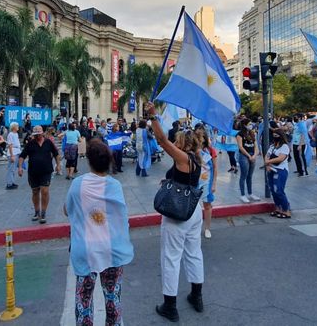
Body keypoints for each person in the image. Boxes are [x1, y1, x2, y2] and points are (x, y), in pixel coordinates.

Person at [143, 102, 204, 322]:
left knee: (171, 258)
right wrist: (168, 179)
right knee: (194, 253)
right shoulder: (196, 159)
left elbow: (161, 140)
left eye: (177, 140)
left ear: (182, 144)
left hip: (178, 214)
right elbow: (183, 180)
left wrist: (153, 116)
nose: (174, 141)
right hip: (194, 211)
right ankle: (196, 296)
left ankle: (170, 306)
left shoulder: (183, 158)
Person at [65, 139, 134, 326]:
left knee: (84, 299)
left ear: (89, 161)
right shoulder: (115, 186)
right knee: (113, 297)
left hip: (86, 250)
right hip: (112, 249)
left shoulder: (78, 184)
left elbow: (67, 210)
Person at [18, 126, 60, 224]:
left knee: (44, 191)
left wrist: (58, 165)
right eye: (35, 135)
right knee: (35, 191)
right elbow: (22, 156)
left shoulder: (48, 142)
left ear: (42, 133)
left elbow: (56, 154)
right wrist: (20, 167)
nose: (37, 136)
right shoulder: (30, 144)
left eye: (38, 134)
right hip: (33, 172)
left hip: (46, 171)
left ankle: (43, 212)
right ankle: (37, 211)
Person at [195, 127, 217, 239]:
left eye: (201, 137)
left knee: (207, 206)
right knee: (193, 206)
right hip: (194, 181)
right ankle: (194, 228)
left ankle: (207, 228)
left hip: (207, 182)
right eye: (197, 136)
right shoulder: (191, 150)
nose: (199, 139)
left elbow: (215, 167)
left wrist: (214, 183)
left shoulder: (211, 150)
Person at [266, 130, 291, 218]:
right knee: (273, 190)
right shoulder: (272, 146)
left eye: (277, 135)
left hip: (280, 170)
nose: (275, 137)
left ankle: (286, 210)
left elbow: (281, 158)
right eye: (274, 135)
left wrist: (268, 161)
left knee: (279, 190)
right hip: (271, 170)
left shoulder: (284, 147)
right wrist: (268, 164)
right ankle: (278, 208)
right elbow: (267, 155)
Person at [236, 118, 260, 203]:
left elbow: (256, 145)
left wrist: (254, 155)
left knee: (250, 175)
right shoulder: (239, 134)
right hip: (244, 156)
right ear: (245, 125)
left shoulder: (252, 133)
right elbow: (240, 147)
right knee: (244, 175)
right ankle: (242, 195)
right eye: (249, 124)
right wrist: (248, 156)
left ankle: (250, 193)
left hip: (252, 155)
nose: (251, 125)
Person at [6, 123, 21, 190]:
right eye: (17, 126)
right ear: (14, 127)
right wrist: (12, 155)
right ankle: (9, 184)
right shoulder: (10, 134)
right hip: (13, 153)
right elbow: (10, 145)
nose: (18, 127)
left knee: (13, 169)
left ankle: (12, 182)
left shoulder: (16, 134)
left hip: (17, 151)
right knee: (11, 169)